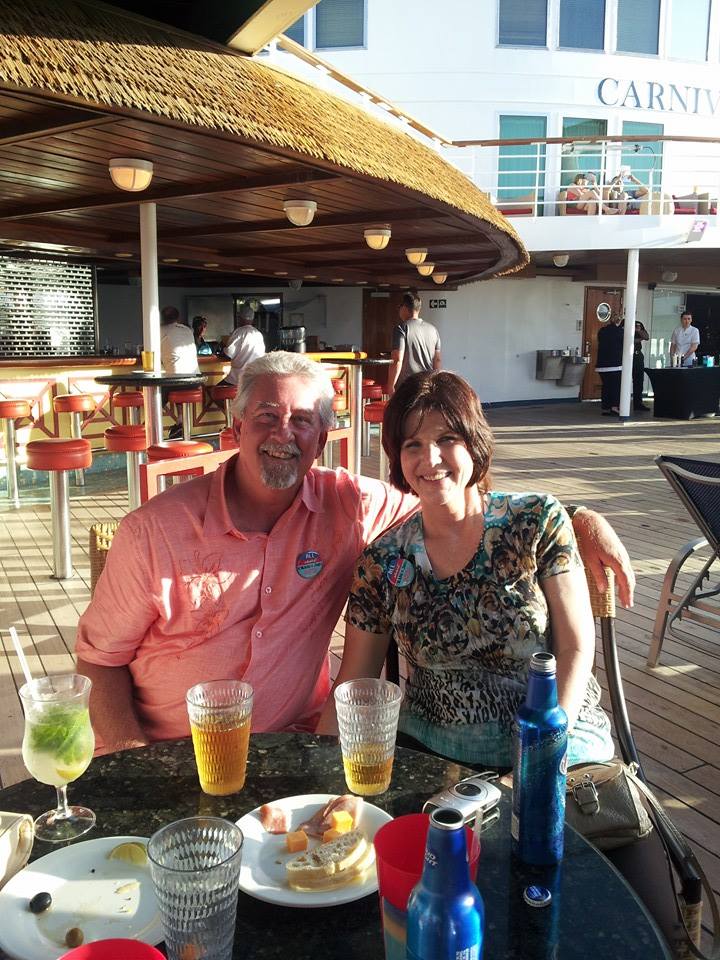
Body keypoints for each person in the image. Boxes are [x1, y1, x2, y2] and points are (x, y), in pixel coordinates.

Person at [75, 353, 634, 755]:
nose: (283, 434)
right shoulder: (153, 533)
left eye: (302, 420)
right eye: (267, 416)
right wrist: (134, 762)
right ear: (237, 427)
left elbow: (452, 504)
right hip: (170, 752)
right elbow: (98, 661)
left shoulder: (348, 505)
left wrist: (578, 517)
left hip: (296, 745)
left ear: (323, 437)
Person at [316, 370, 613, 768]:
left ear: (474, 442)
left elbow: (575, 646)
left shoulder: (536, 521)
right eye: (413, 444)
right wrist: (316, 773)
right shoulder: (383, 561)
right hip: (433, 752)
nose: (430, 458)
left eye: (446, 439)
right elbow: (354, 681)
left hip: (557, 738)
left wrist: (544, 747)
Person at [388, 292, 441, 394]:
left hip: (407, 386)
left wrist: (391, 386)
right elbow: (437, 360)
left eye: (399, 307)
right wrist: (435, 384)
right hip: (427, 385)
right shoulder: (433, 330)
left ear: (404, 307)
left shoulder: (401, 328)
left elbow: (397, 359)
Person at [222, 303, 266, 386]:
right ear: (252, 319)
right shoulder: (258, 334)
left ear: (240, 318)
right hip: (254, 379)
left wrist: (223, 347)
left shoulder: (239, 332)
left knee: (215, 390)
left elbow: (228, 354)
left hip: (237, 379)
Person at [596, 314, 624, 415]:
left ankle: (606, 407)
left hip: (602, 364)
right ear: (619, 321)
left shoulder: (602, 331)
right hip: (615, 364)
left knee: (606, 386)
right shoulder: (620, 332)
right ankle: (614, 407)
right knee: (615, 386)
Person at [159, 306, 199, 376]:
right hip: (195, 376)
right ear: (178, 318)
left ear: (162, 318)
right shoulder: (188, 330)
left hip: (175, 378)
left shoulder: (159, 330)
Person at [633, 321, 650, 411]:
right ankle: (619, 404)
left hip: (637, 356)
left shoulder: (639, 324)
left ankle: (638, 404)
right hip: (626, 356)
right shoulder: (624, 323)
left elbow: (646, 337)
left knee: (639, 381)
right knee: (622, 380)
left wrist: (638, 330)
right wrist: (640, 339)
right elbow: (630, 340)